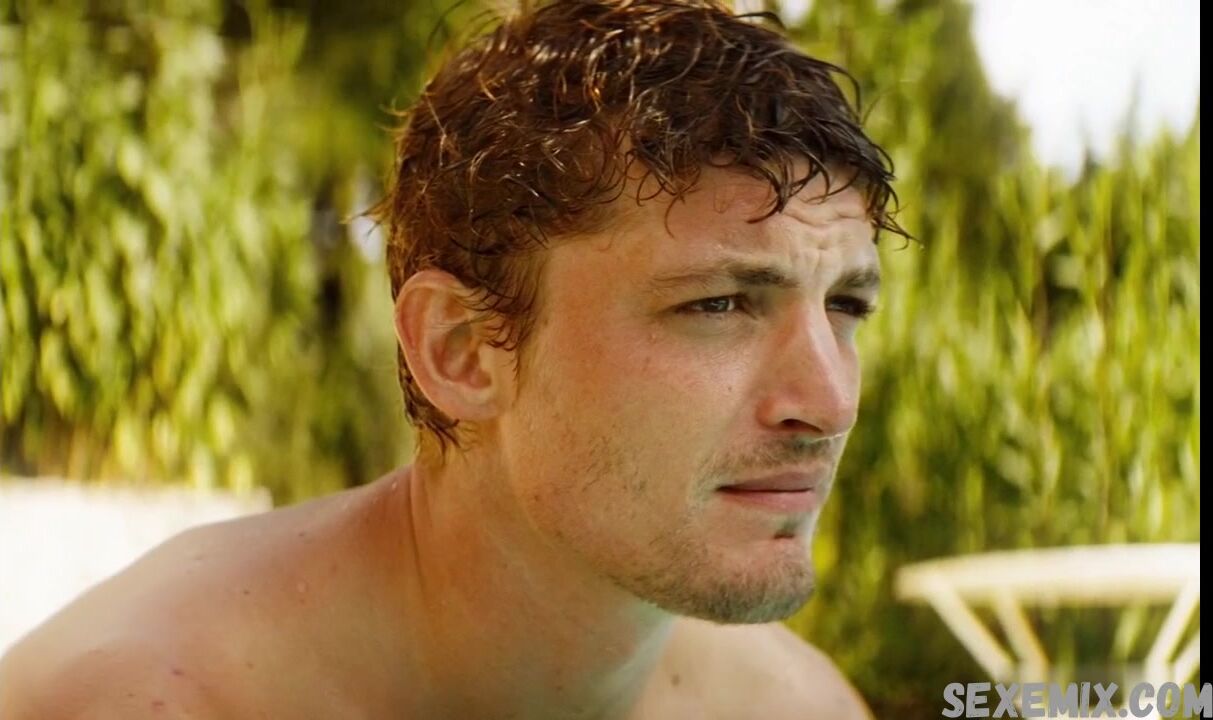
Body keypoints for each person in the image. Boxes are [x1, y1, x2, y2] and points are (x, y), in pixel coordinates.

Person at [0, 0, 906, 717]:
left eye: (845, 306)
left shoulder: (795, 705)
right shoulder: (148, 698)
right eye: (717, 305)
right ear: (462, 351)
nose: (828, 402)